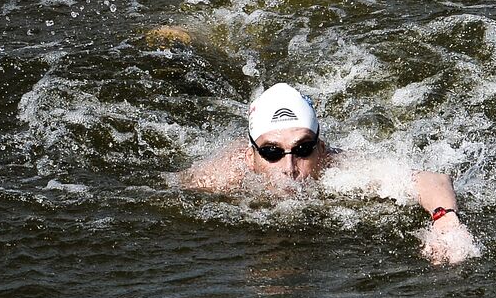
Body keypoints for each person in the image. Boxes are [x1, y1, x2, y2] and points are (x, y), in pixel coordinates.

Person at [178, 83, 479, 265]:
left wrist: (446, 221)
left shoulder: (337, 167)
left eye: (303, 149)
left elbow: (431, 179)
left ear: (321, 149)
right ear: (251, 156)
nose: (289, 168)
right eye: (271, 152)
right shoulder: (218, 178)